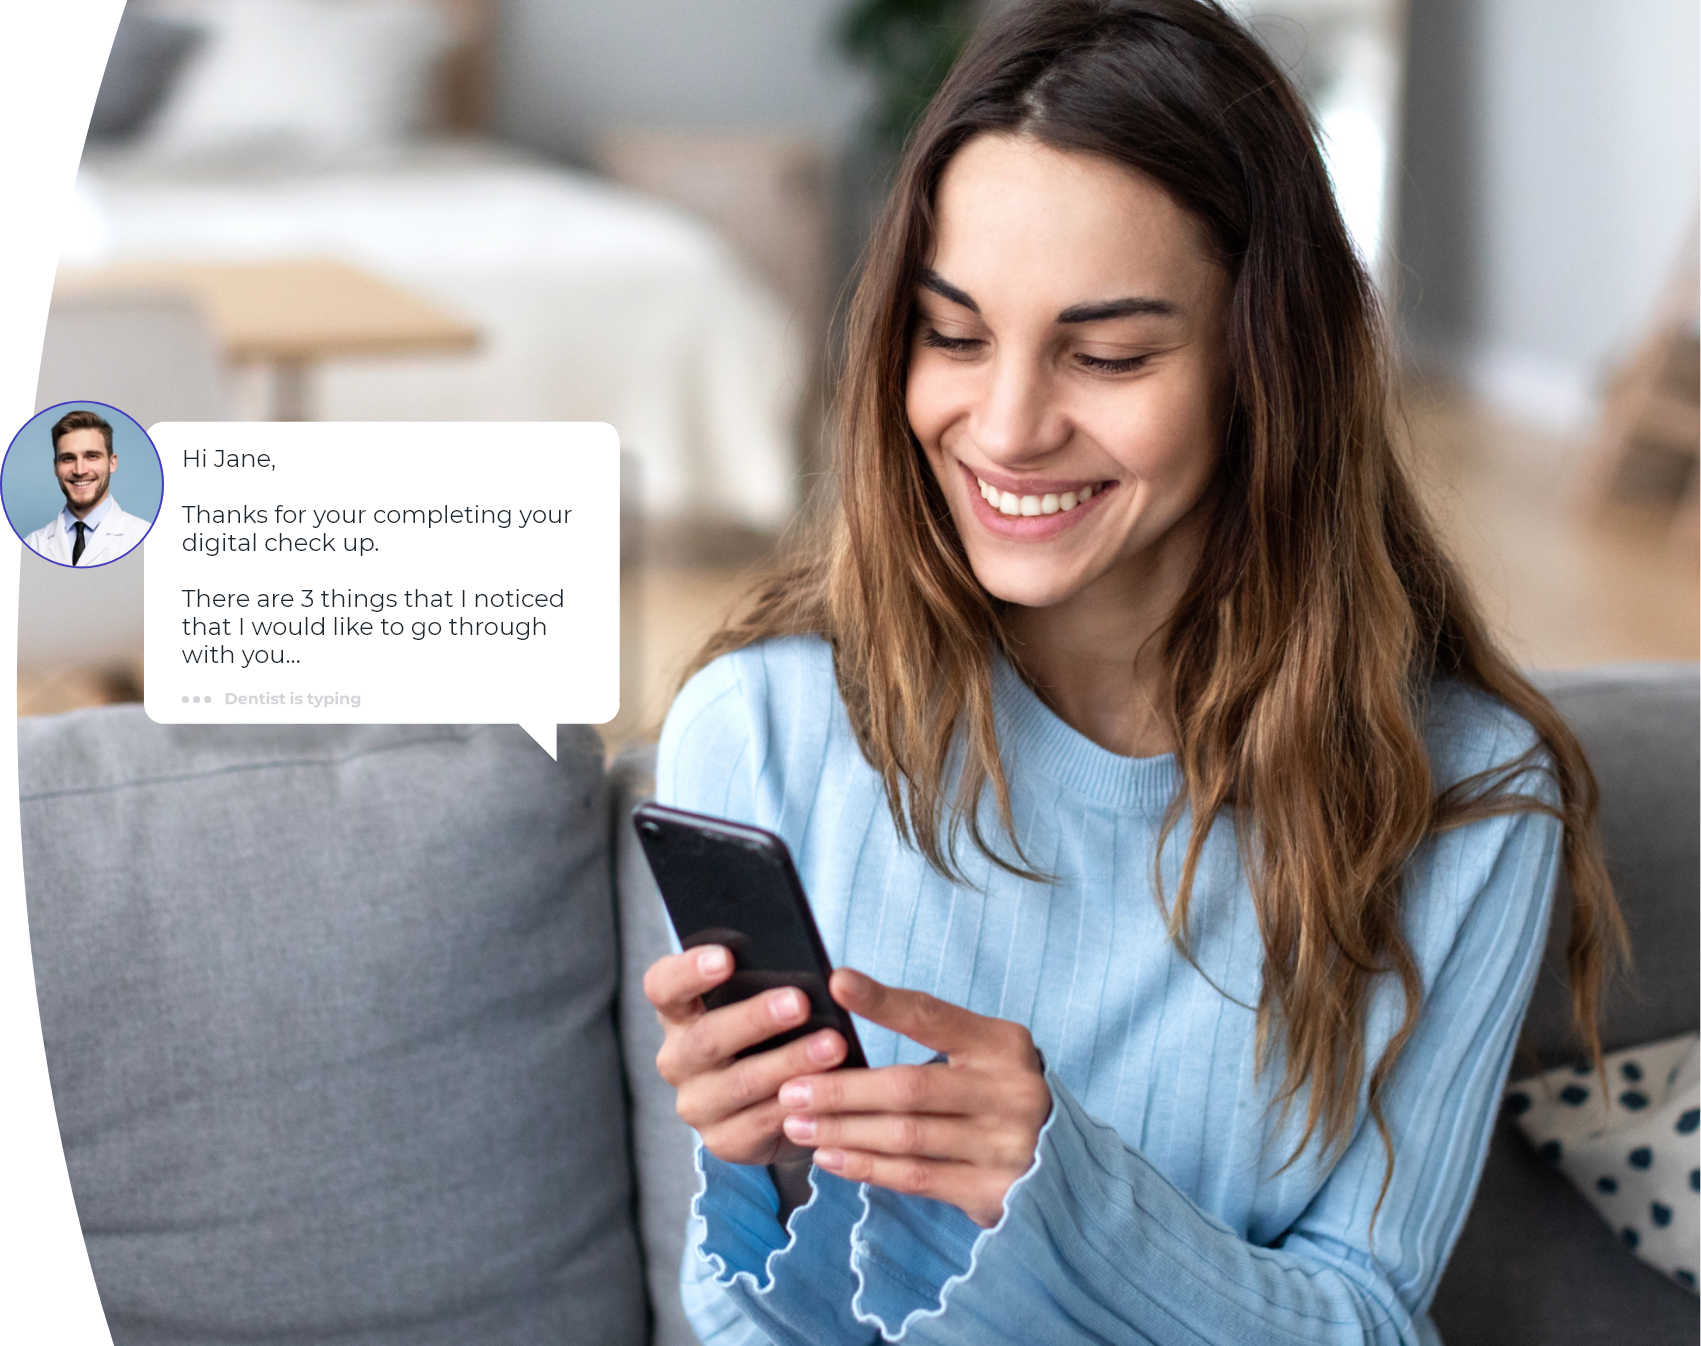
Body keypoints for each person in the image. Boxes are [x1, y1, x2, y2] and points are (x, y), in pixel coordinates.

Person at [643, 3, 1626, 1342]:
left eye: (1106, 354)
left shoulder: (1465, 800)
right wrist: (763, 1174)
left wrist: (1066, 1200)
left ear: (1266, 367)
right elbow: (733, 1309)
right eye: (952, 335)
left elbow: (1366, 1321)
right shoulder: (763, 728)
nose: (1006, 428)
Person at [22, 409, 151, 566]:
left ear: (112, 463)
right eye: (68, 458)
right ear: (55, 467)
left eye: (92, 456)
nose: (80, 470)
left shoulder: (146, 538)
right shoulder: (33, 544)